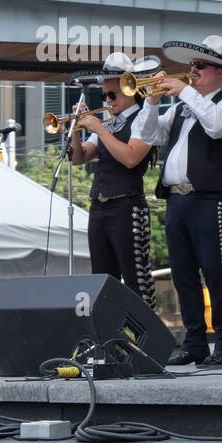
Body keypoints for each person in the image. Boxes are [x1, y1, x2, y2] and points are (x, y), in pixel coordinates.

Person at [132, 35, 222, 368]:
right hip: (177, 201)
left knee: (215, 273)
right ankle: (195, 342)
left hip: (209, 199)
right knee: (184, 275)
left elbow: (215, 126)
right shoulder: (181, 108)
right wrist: (152, 102)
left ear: (221, 73)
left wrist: (183, 90)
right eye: (192, 66)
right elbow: (147, 135)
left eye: (200, 66)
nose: (193, 71)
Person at [69, 52, 159, 309]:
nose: (107, 101)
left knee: (136, 280)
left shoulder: (143, 118)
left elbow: (131, 157)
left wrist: (98, 127)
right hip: (99, 207)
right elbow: (79, 157)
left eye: (112, 95)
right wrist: (76, 129)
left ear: (129, 89)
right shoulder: (108, 125)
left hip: (127, 206)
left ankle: (144, 342)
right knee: (102, 279)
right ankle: (108, 342)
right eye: (104, 96)